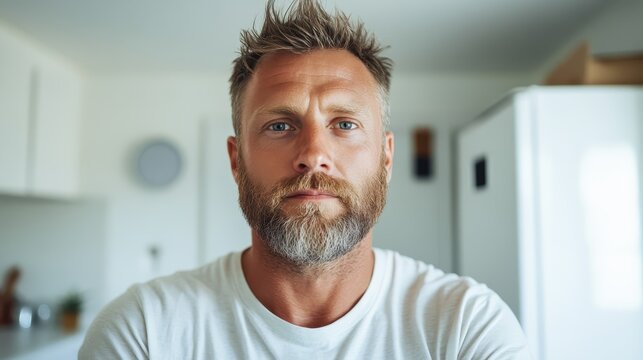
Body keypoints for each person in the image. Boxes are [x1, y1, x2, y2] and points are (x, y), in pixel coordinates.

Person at [79, 0, 532, 358]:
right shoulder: (143, 333)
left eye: (345, 124)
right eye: (280, 125)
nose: (314, 155)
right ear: (237, 162)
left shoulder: (466, 327)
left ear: (386, 158)